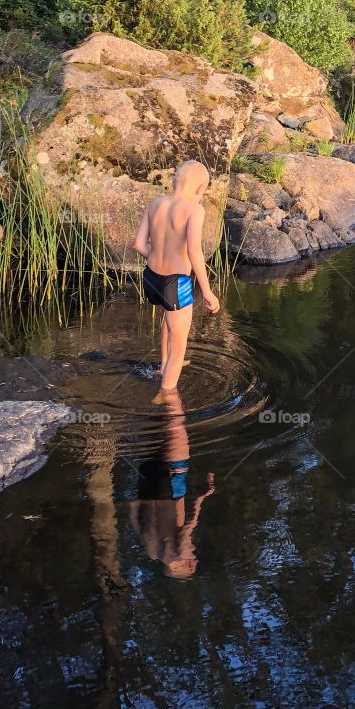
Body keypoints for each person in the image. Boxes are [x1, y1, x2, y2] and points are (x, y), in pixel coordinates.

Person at [133, 159, 220, 396]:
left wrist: (157, 258)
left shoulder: (157, 203)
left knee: (168, 317)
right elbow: (194, 251)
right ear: (201, 189)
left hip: (151, 278)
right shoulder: (195, 210)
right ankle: (167, 396)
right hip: (175, 283)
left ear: (175, 181)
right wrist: (208, 291)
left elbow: (139, 244)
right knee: (180, 349)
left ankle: (163, 367)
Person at [127, 387, 216, 579]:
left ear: (187, 565)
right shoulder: (152, 552)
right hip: (144, 490)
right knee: (155, 435)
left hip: (166, 492)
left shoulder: (178, 554)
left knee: (175, 424)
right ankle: (146, 393)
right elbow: (134, 519)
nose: (193, 551)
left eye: (193, 555)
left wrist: (203, 497)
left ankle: (167, 387)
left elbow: (187, 529)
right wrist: (135, 501)